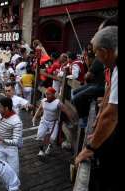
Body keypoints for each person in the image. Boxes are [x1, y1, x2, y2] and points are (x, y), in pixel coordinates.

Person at [75, 26, 119, 190]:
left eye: (96, 53)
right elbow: (108, 93)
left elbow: (112, 115)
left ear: (104, 51)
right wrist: (99, 117)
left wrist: (90, 147)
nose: (96, 58)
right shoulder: (114, 66)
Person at [32, 87, 75, 156]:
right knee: (39, 136)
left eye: (49, 94)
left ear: (53, 95)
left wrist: (72, 121)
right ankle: (41, 150)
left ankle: (49, 147)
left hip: (53, 123)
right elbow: (40, 109)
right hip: (44, 121)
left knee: (52, 138)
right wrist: (34, 117)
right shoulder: (43, 101)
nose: (47, 96)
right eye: (46, 94)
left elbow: (66, 111)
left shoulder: (58, 103)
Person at [0, 97, 22, 175]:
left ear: (6, 108)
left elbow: (16, 142)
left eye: (0, 107)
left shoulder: (16, 121)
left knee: (14, 172)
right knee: (1, 168)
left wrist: (3, 140)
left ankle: (14, 186)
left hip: (10, 149)